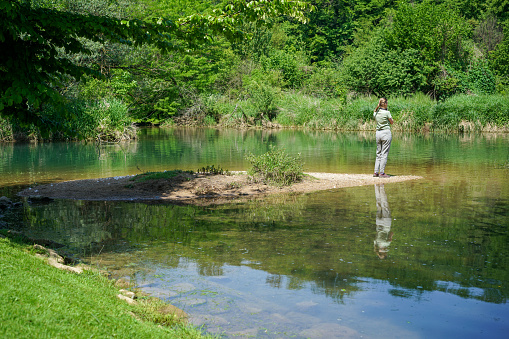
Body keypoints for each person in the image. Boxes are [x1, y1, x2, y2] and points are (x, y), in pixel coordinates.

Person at [373, 97, 393, 177]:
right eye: (387, 103)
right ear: (385, 104)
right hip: (386, 133)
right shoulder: (387, 112)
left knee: (378, 153)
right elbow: (391, 122)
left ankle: (375, 172)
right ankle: (382, 173)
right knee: (384, 153)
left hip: (378, 134)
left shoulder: (376, 113)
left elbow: (374, 113)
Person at [374, 184, 393, 259]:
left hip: (386, 224)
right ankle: (376, 186)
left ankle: (381, 187)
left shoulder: (386, 244)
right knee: (378, 203)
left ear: (385, 252)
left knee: (385, 204)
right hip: (378, 223)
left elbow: (391, 233)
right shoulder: (376, 244)